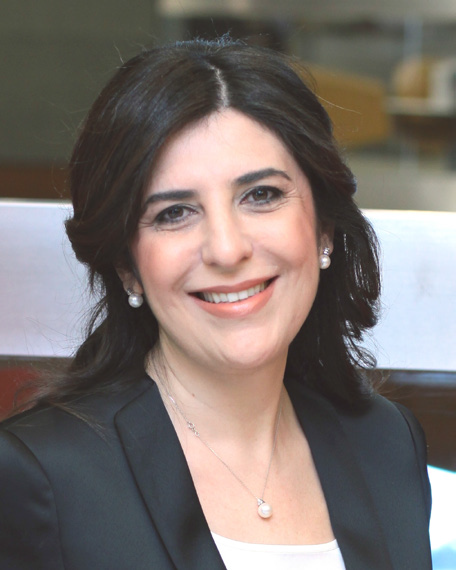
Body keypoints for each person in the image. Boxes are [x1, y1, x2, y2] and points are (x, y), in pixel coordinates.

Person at [0, 38, 431, 569]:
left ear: (324, 228)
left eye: (261, 195)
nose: (227, 250)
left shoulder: (387, 442)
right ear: (127, 265)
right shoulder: (40, 474)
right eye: (174, 213)